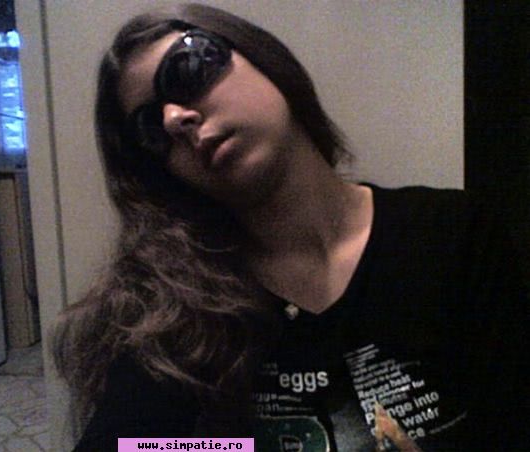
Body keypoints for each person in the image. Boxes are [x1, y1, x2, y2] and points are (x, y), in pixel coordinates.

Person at [52, 4, 528, 451]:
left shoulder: (453, 234)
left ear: (265, 61)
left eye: (189, 69)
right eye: (149, 128)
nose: (175, 118)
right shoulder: (173, 308)